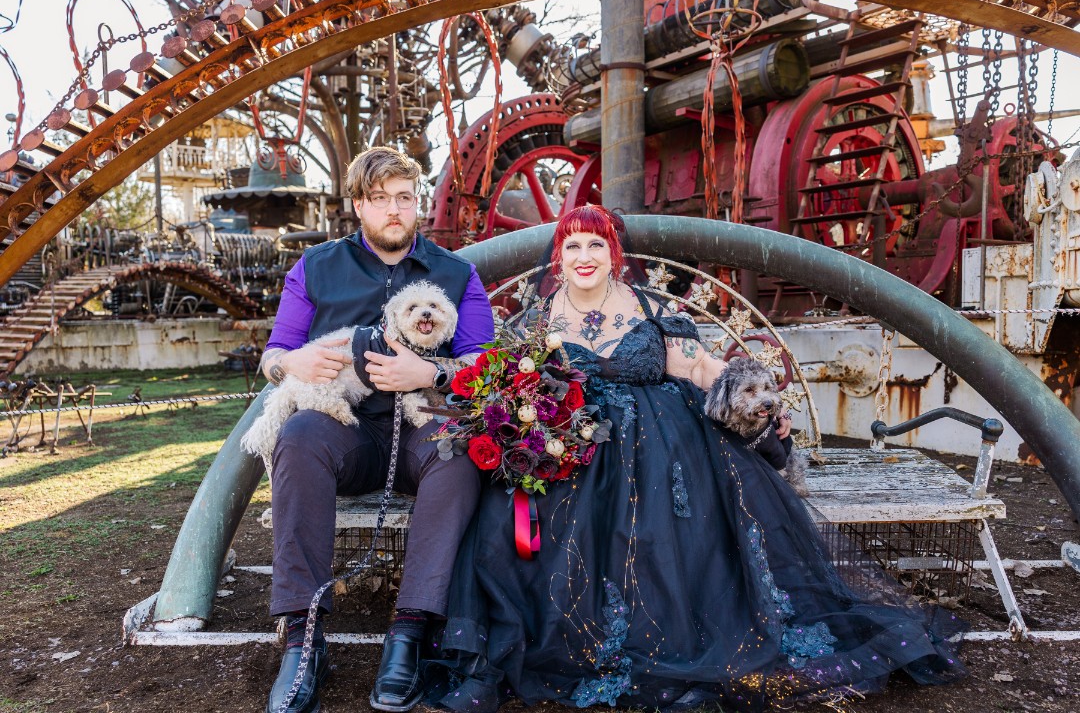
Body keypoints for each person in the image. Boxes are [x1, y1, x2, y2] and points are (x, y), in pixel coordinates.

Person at [423, 204, 966, 711]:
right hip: (575, 446)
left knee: (676, 524)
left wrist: (750, 395)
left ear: (614, 254)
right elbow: (514, 390)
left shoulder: (648, 311)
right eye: (572, 246)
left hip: (663, 445)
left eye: (595, 244)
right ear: (558, 258)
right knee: (507, 520)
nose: (584, 256)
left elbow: (703, 370)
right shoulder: (537, 324)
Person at [258, 146, 494, 713]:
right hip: (349, 435)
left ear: (418, 206)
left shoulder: (457, 274)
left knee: (456, 450)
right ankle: (303, 637)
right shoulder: (315, 267)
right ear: (359, 205)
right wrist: (290, 365)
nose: (395, 210)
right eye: (381, 199)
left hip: (421, 426)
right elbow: (273, 353)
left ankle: (410, 632)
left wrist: (432, 370)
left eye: (405, 199)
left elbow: (487, 364)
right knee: (299, 436)